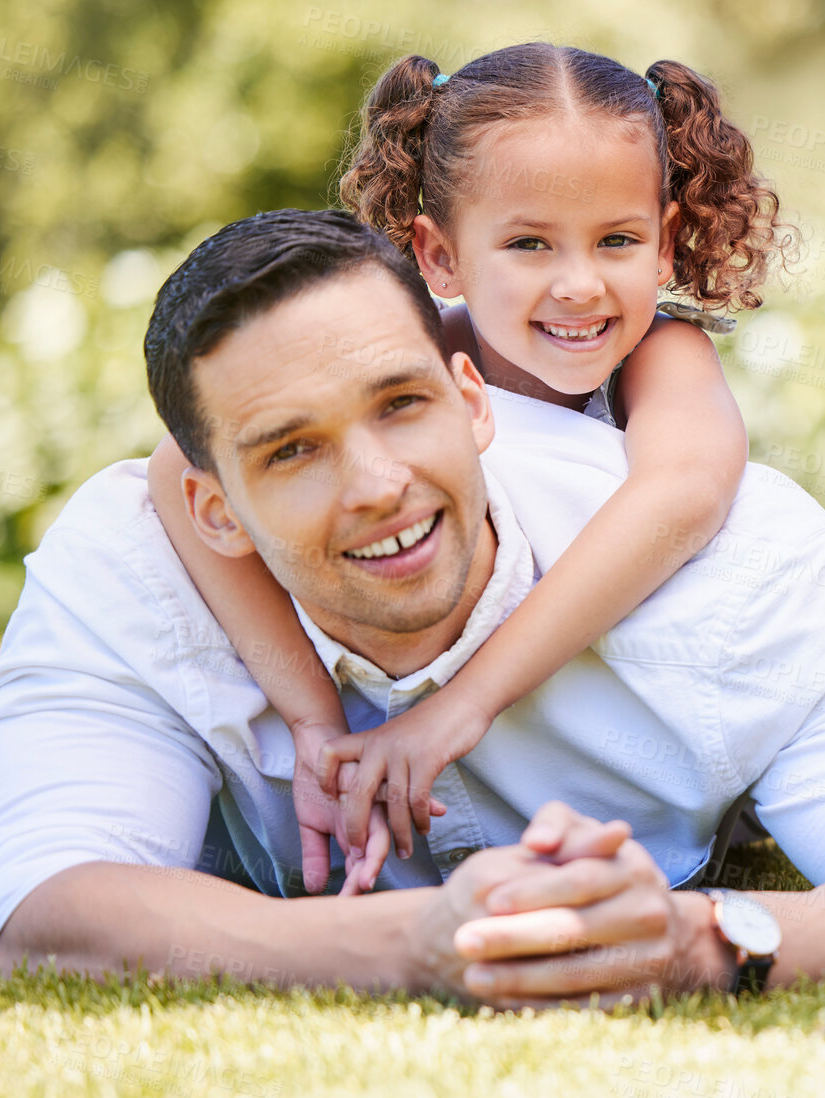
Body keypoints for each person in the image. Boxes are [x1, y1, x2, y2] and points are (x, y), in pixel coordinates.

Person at [0, 208, 825, 1002]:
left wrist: (698, 945)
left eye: (401, 405)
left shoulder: (735, 566)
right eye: (292, 451)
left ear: (472, 400)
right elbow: (24, 910)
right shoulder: (134, 566)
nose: (378, 482)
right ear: (214, 510)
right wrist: (409, 945)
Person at [145, 44, 787, 891]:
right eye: (528, 243)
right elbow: (174, 464)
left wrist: (462, 707)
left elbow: (683, 494)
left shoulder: (664, 355)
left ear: (665, 247)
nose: (579, 286)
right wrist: (311, 718)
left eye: (618, 240)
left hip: (635, 730)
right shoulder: (414, 355)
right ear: (440, 256)